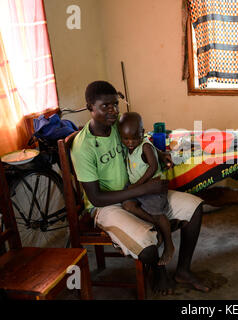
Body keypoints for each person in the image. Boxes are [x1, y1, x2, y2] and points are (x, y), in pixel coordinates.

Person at [70, 80, 210, 294]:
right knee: (147, 248)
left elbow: (141, 141)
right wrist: (143, 190)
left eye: (115, 104)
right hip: (107, 206)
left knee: (194, 208)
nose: (113, 111)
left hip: (139, 194)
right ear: (90, 108)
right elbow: (96, 198)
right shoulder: (83, 147)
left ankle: (182, 271)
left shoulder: (118, 128)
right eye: (105, 106)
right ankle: (159, 270)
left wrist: (158, 155)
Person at [118, 112, 174, 266]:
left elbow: (153, 167)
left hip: (152, 188)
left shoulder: (145, 146)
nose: (130, 142)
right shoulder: (129, 147)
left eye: (134, 138)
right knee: (127, 205)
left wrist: (138, 186)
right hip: (138, 189)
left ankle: (169, 244)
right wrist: (135, 188)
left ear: (142, 134)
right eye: (125, 139)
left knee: (157, 213)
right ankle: (156, 226)